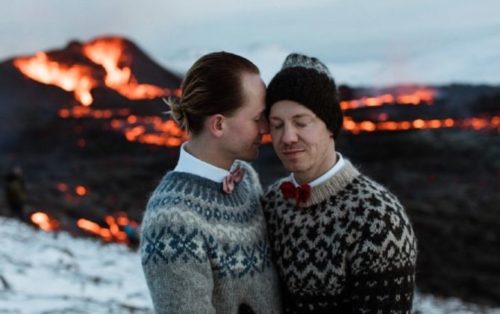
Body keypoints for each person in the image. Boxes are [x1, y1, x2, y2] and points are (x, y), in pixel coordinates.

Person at [263, 53, 417, 313]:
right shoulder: (271, 202)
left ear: (330, 127)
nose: (287, 137)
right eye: (277, 125)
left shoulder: (377, 217)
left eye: (301, 122)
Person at [140, 52, 282, 314]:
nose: (265, 128)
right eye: (256, 118)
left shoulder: (245, 178)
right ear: (218, 124)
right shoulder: (172, 220)